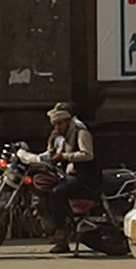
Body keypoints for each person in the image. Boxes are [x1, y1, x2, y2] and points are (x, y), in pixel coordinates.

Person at [40, 102, 98, 256]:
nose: (57, 127)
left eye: (59, 123)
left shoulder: (80, 132)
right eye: (55, 124)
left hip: (85, 176)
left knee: (57, 193)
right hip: (69, 173)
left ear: (67, 121)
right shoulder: (62, 136)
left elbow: (87, 154)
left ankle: (61, 234)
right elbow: (52, 155)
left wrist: (64, 156)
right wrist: (51, 142)